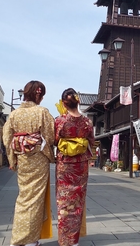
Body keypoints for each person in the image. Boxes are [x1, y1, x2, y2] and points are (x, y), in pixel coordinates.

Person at [3, 81, 55, 246]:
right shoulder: (42, 112)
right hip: (38, 158)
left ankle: (19, 237)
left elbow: (7, 139)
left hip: (23, 158)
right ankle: (30, 240)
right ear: (38, 94)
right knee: (35, 198)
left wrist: (12, 159)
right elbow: (50, 136)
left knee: (24, 197)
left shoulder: (14, 114)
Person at [54, 88, 94, 246]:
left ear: (64, 103)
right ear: (78, 102)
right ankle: (74, 241)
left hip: (65, 164)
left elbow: (54, 140)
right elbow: (91, 141)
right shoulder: (87, 122)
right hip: (81, 165)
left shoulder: (60, 121)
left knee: (64, 202)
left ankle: (65, 240)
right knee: (77, 201)